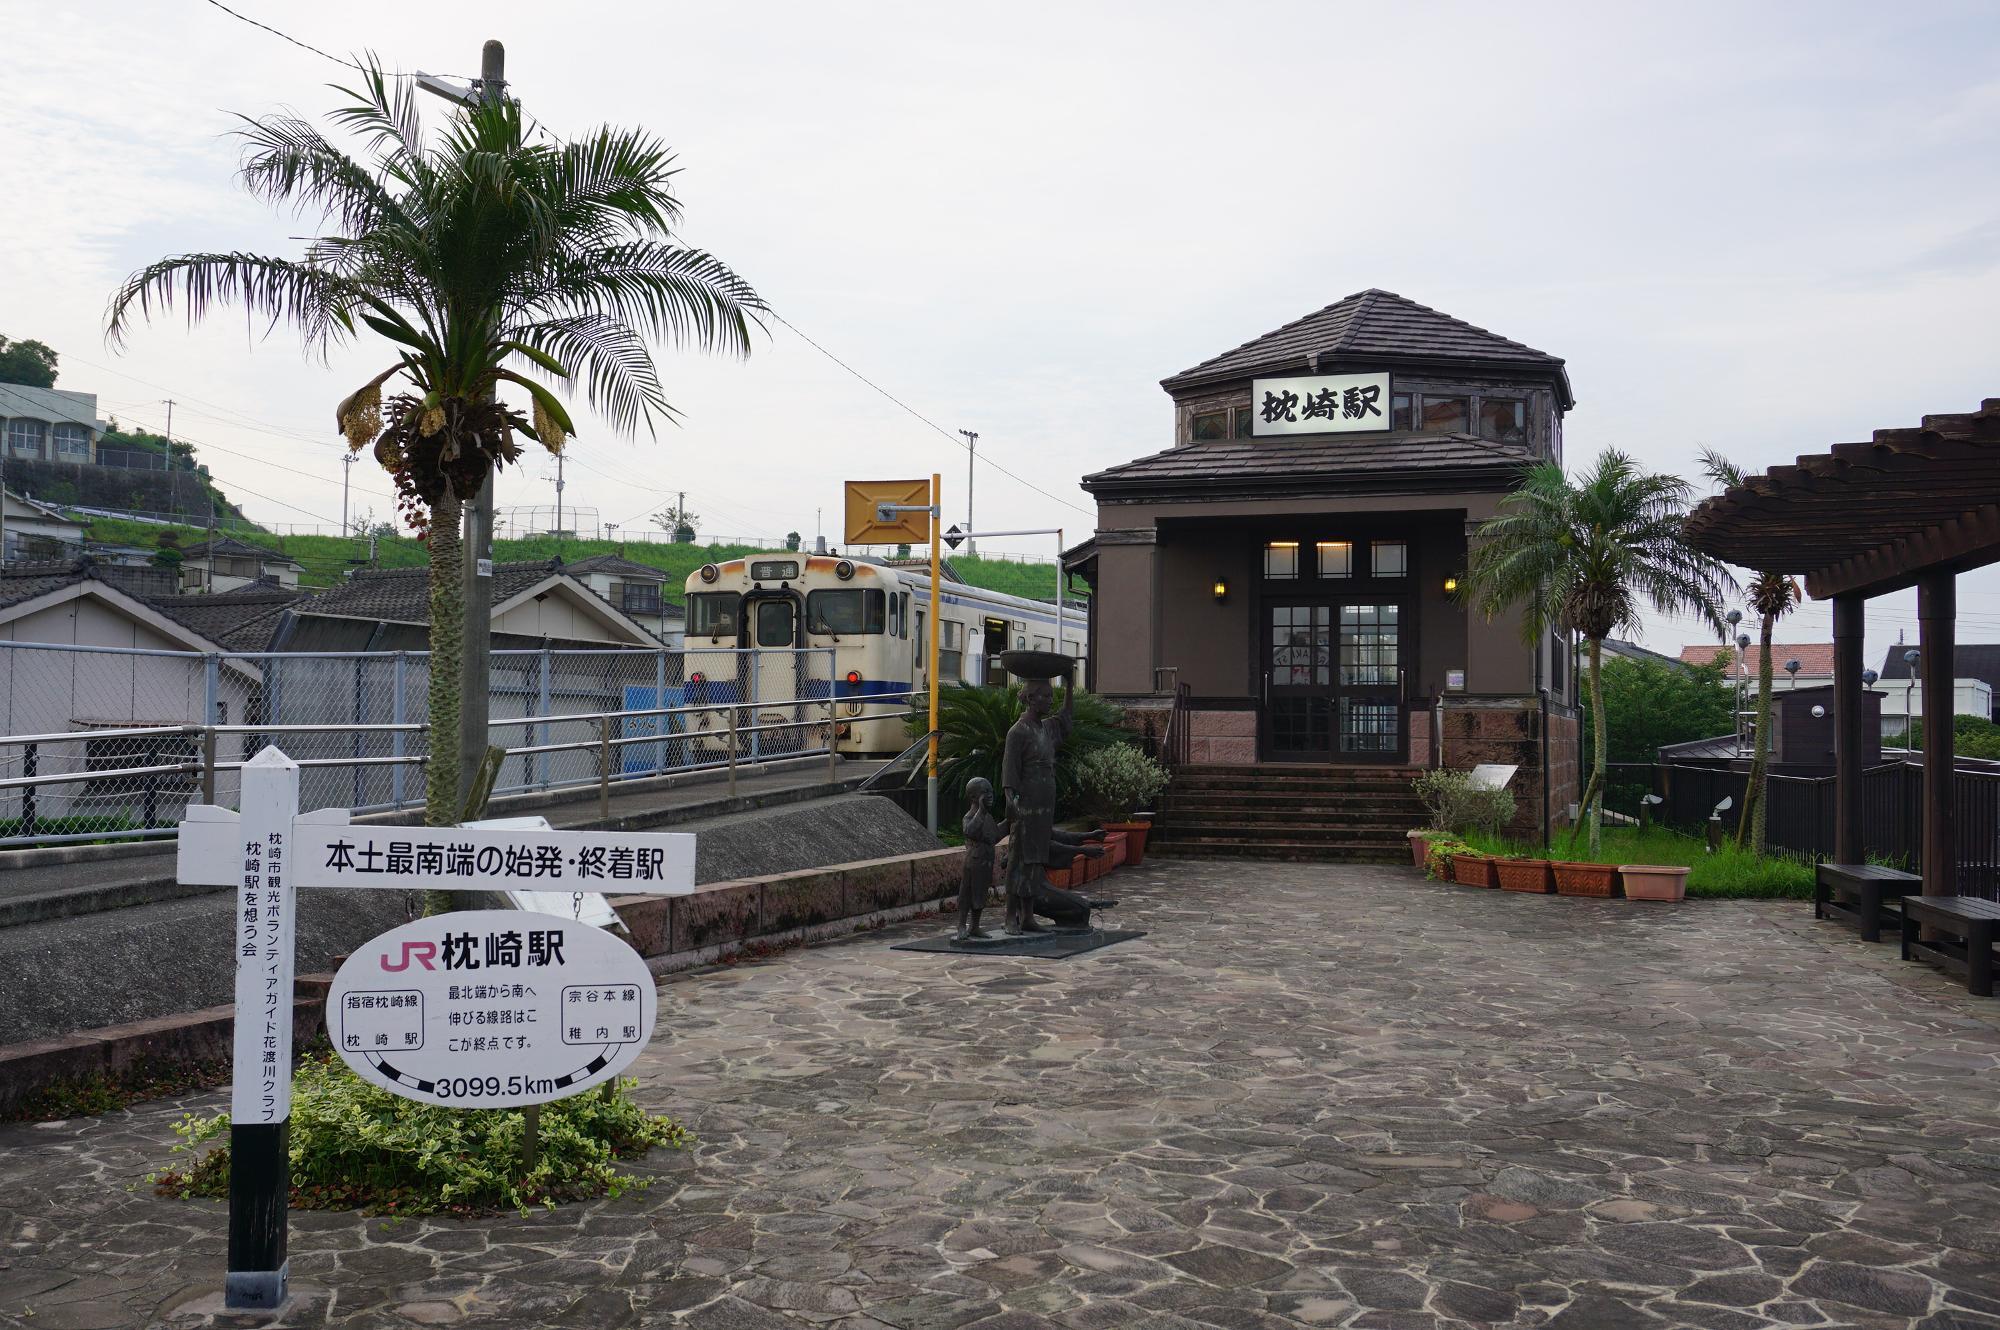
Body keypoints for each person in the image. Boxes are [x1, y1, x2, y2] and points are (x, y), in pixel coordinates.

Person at [1002, 670, 1097, 934]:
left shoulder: (1048, 728)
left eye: (1050, 696)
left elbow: (1067, 718)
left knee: (1036, 860)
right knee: (1018, 860)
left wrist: (1069, 684)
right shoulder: (1017, 732)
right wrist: (1012, 804)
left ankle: (1029, 916)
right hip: (1026, 805)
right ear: (1031, 699)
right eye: (1045, 696)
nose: (1049, 701)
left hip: (1045, 804)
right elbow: (1009, 774)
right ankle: (1011, 916)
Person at [956, 777, 1001, 942]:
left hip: (986, 862)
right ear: (974, 797)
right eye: (985, 792)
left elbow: (995, 836)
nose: (990, 795)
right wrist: (981, 811)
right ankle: (962, 925)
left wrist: (1010, 821)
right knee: (967, 894)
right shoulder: (970, 816)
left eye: (991, 791)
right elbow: (970, 831)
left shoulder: (988, 817)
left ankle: (975, 926)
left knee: (980, 895)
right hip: (973, 862)